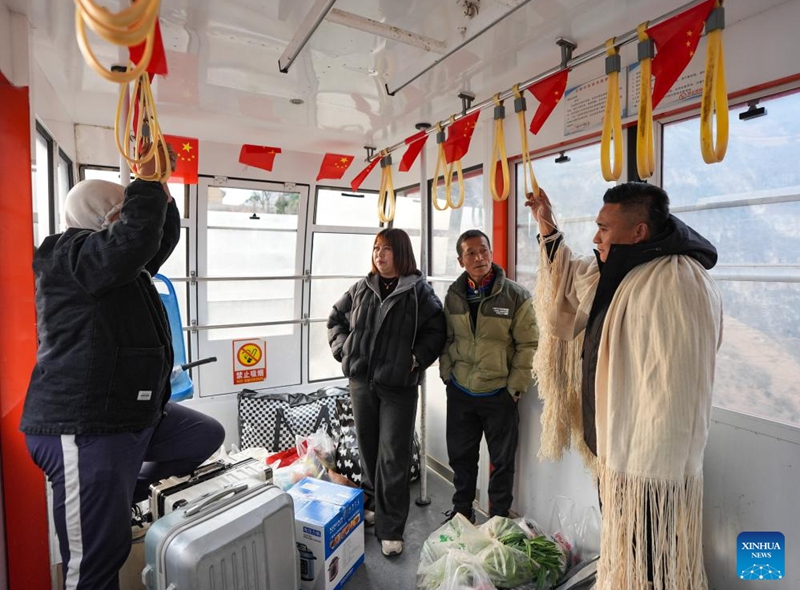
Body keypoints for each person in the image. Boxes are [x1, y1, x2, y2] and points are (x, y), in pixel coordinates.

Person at [20, 146, 225, 590]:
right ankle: (107, 503)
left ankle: (119, 493)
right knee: (94, 562)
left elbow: (152, 240)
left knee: (204, 435)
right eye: (118, 212)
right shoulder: (68, 257)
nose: (126, 222)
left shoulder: (116, 265)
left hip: (126, 414)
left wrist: (161, 189)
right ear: (96, 220)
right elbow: (133, 239)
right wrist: (145, 184)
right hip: (84, 424)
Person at [525, 182, 723, 590]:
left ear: (639, 233)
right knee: (628, 543)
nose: (596, 237)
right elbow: (576, 279)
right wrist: (546, 226)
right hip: (619, 449)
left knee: (651, 550)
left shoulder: (676, 281)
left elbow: (672, 380)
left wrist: (642, 448)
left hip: (652, 461)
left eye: (604, 228)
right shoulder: (628, 271)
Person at [328, 228, 446, 558]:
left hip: (398, 386)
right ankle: (372, 504)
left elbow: (437, 331)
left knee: (393, 455)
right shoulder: (362, 288)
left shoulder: (419, 292)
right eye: (376, 248)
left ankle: (391, 527)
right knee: (367, 448)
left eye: (387, 249)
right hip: (362, 382)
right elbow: (335, 317)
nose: (379, 255)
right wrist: (344, 351)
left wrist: (416, 358)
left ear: (402, 253)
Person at [439, 229, 537, 522]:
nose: (479, 257)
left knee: (502, 462)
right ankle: (462, 512)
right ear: (461, 260)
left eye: (483, 250)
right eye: (470, 252)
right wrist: (447, 373)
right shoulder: (454, 295)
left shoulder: (515, 296)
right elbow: (446, 338)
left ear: (491, 253)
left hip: (498, 394)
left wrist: (515, 388)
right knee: (461, 457)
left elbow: (528, 344)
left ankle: (498, 520)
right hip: (460, 390)